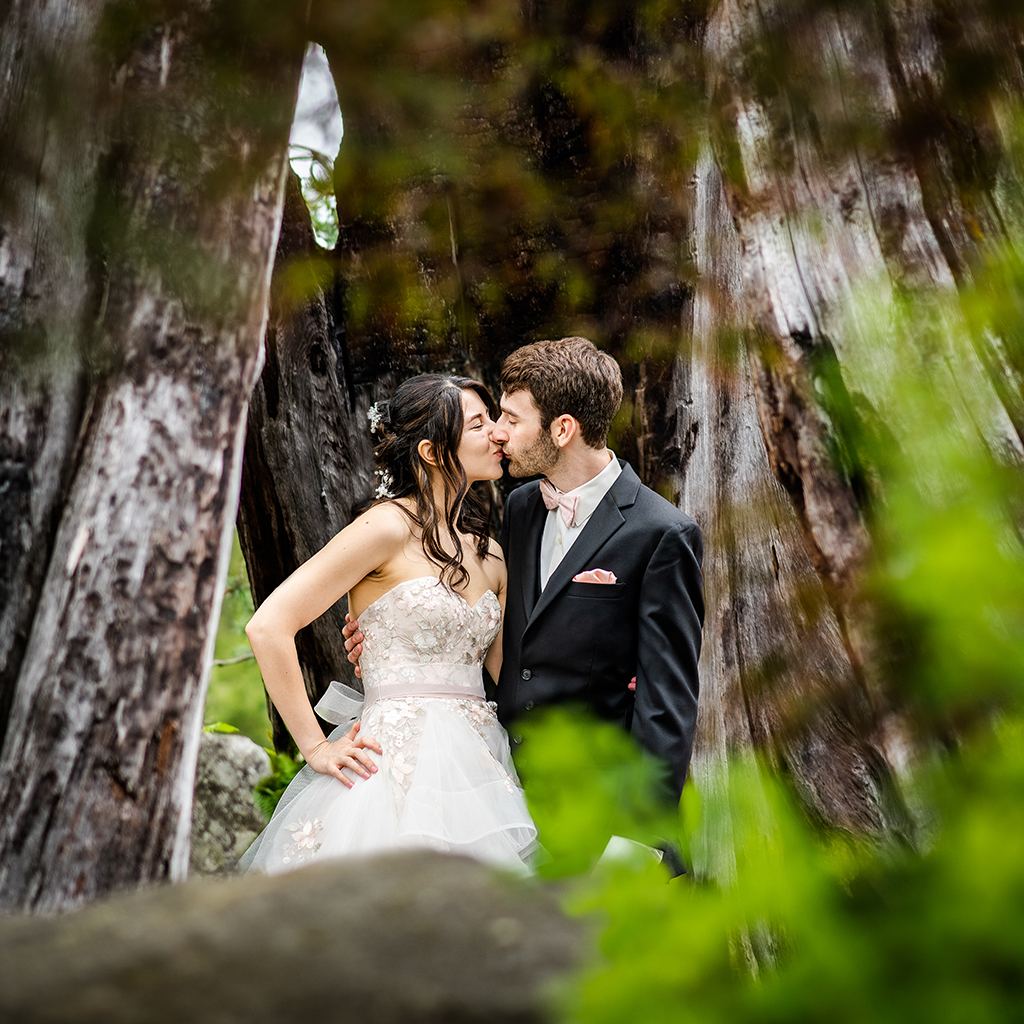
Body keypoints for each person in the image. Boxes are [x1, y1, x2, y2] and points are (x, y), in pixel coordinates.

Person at [347, 338, 704, 817]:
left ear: (561, 429)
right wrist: (392, 640)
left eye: (511, 419)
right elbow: (511, 636)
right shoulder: (522, 507)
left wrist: (638, 842)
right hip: (500, 786)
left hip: (600, 807)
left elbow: (666, 706)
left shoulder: (662, 534)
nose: (498, 433)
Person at [240, 374, 537, 875]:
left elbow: (513, 675)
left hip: (482, 768)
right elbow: (268, 626)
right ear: (431, 450)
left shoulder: (492, 557)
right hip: (392, 768)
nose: (497, 435)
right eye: (479, 424)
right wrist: (315, 746)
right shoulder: (386, 527)